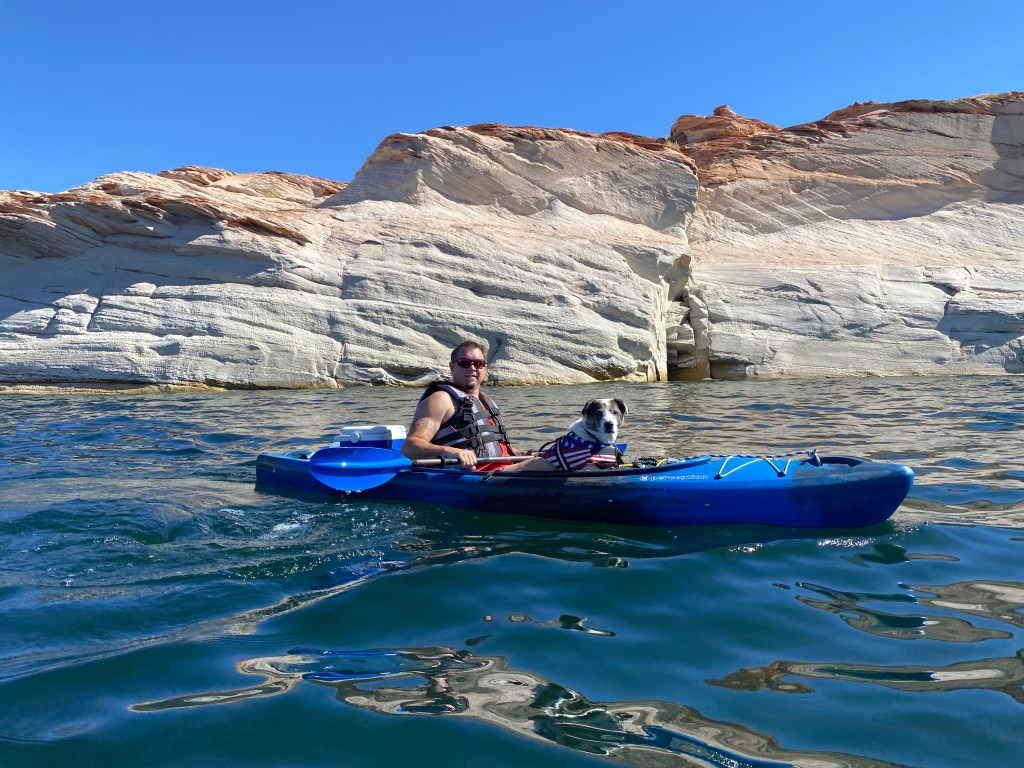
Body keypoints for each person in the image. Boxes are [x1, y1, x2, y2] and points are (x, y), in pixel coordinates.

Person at [401, 340, 518, 469]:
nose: (472, 368)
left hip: (504, 469)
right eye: (465, 363)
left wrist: (531, 453)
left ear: (485, 368)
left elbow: (497, 449)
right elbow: (409, 447)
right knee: (543, 465)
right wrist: (451, 452)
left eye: (479, 364)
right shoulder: (441, 399)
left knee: (542, 459)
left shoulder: (487, 401)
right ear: (452, 367)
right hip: (475, 475)